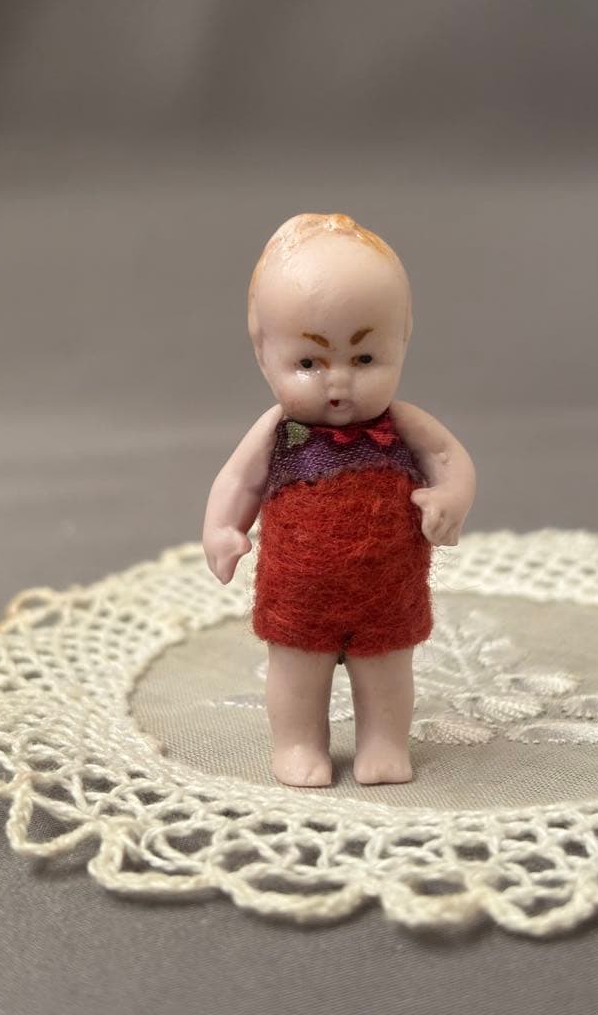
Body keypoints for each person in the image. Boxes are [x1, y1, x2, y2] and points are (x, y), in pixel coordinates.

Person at [203, 213, 476, 787]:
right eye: (309, 362)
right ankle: (298, 744)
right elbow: (239, 481)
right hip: (299, 592)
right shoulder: (280, 431)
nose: (339, 382)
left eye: (364, 358)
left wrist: (451, 496)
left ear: (402, 340)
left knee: (388, 670)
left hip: (387, 587)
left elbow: (450, 459)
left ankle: (384, 745)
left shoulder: (402, 424)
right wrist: (223, 529)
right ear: (264, 352)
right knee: (296, 672)